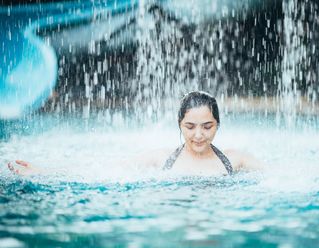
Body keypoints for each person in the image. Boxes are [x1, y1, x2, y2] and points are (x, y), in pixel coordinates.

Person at [8, 91, 264, 177]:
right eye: (190, 126)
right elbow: (100, 171)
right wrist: (43, 171)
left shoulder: (235, 160)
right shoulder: (162, 159)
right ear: (179, 124)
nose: (198, 135)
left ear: (217, 125)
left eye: (207, 127)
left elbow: (283, 177)